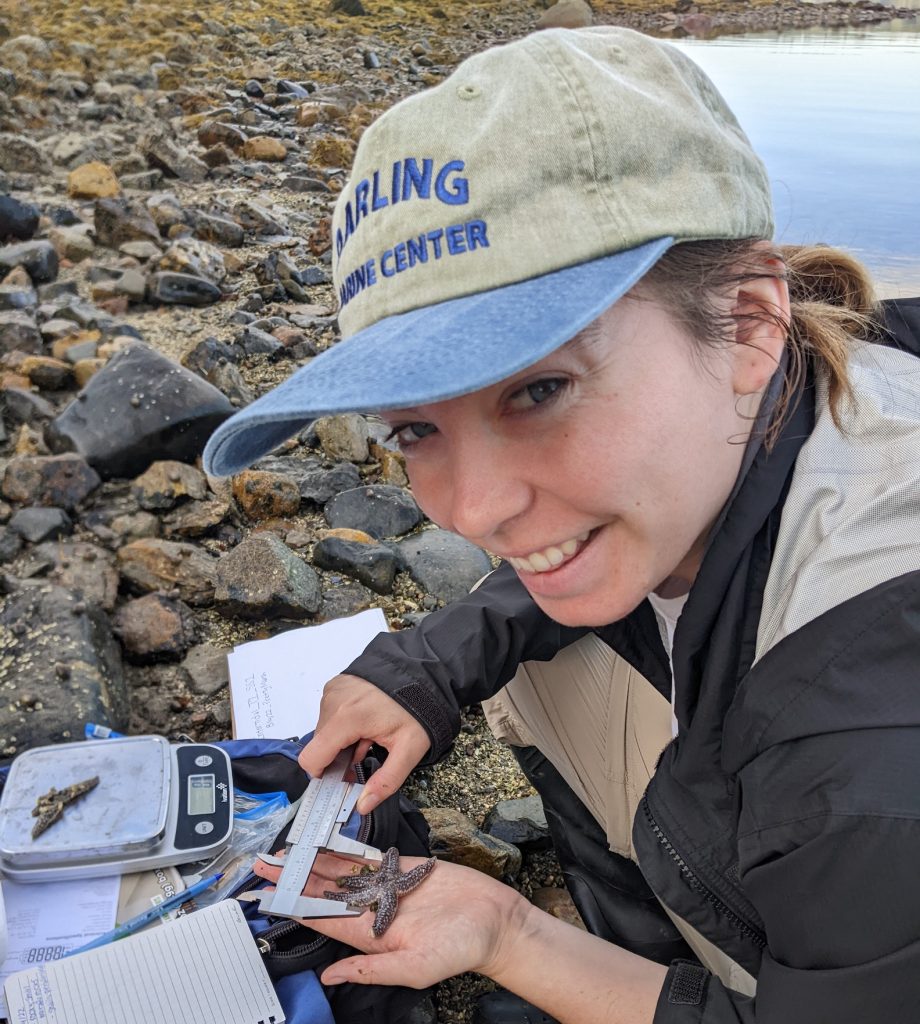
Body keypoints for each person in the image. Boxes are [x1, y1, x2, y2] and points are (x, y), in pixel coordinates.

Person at [203, 26, 920, 1024]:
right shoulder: (800, 381)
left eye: (539, 388)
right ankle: (651, 955)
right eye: (415, 427)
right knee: (541, 637)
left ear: (750, 322)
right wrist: (427, 666)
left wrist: (513, 935)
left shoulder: (868, 761)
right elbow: (541, 575)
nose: (471, 510)